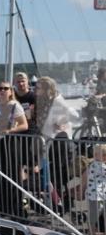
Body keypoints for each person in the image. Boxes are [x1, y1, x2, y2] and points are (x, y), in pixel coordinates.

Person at [35, 76, 79, 214]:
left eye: (38, 87)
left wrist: (62, 122)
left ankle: (62, 204)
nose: (35, 89)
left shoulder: (57, 101)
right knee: (53, 175)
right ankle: (58, 203)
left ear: (46, 89)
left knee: (58, 174)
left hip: (61, 142)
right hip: (50, 142)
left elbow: (73, 114)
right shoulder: (44, 101)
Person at [0, 81, 29, 217]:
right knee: (0, 175)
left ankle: (17, 209)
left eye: (5, 88)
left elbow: (24, 125)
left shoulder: (14, 105)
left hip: (11, 142)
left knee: (13, 175)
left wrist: (11, 130)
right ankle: (5, 208)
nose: (2, 91)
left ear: (11, 91)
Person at [82, 144, 106, 235]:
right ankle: (91, 231)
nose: (105, 156)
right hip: (95, 195)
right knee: (94, 214)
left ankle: (92, 230)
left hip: (100, 194)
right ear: (96, 155)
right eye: (103, 154)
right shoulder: (98, 165)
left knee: (97, 213)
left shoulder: (97, 164)